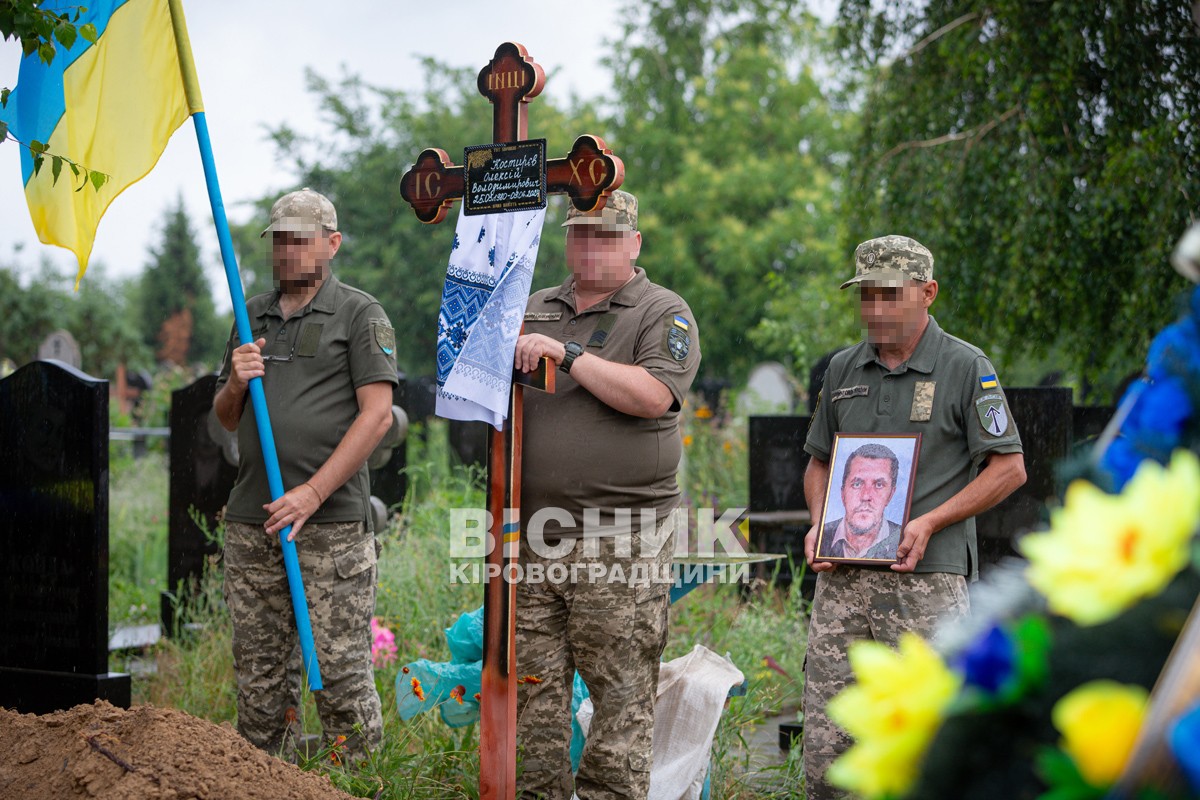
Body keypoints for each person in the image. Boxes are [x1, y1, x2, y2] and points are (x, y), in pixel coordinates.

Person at [801, 235, 1027, 799]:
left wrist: (929, 522)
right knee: (830, 749)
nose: (874, 310)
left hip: (925, 582)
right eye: (865, 297)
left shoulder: (965, 366)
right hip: (843, 582)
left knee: (929, 746)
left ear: (927, 293)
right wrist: (817, 519)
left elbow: (1009, 468)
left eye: (889, 296)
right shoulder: (843, 368)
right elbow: (819, 462)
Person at [512, 189, 701, 800]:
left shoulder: (660, 311)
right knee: (531, 692)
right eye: (581, 234)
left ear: (634, 243)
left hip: (622, 537)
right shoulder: (536, 306)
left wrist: (565, 355)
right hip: (535, 534)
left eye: (607, 236)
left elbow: (652, 395)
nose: (591, 247)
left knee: (619, 695)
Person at [214, 188, 397, 765]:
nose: (287, 252)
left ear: (331, 243)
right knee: (261, 687)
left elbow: (378, 415)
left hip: (330, 528)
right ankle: (269, 782)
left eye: (301, 240)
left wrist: (313, 493)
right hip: (254, 522)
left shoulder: (359, 314)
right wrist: (238, 380)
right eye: (280, 241)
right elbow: (224, 416)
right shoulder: (252, 315)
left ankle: (356, 784)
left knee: (340, 678)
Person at [817, 442, 904, 561]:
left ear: (890, 495)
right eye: (857, 484)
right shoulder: (821, 537)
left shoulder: (904, 539)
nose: (865, 496)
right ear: (843, 493)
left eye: (879, 485)